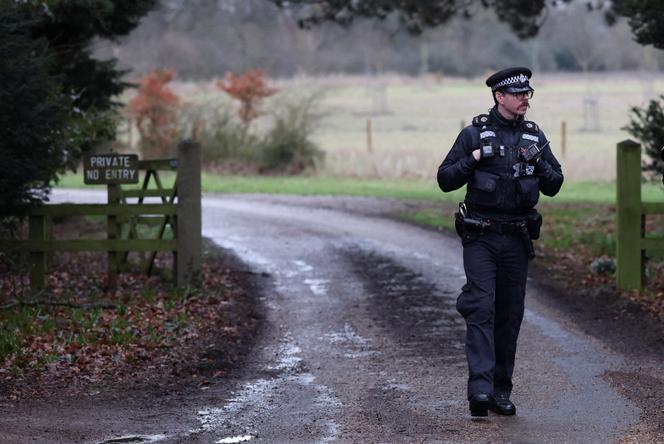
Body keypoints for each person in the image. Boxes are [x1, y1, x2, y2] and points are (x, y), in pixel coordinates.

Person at [437, 67, 563, 417]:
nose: (525, 99)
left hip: (517, 238)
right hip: (481, 236)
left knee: (509, 315)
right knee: (480, 307)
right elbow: (445, 179)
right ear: (499, 97)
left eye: (528, 93)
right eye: (519, 93)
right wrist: (475, 158)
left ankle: (500, 390)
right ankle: (479, 391)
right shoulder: (474, 134)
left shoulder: (535, 137)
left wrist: (539, 161)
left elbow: (554, 184)